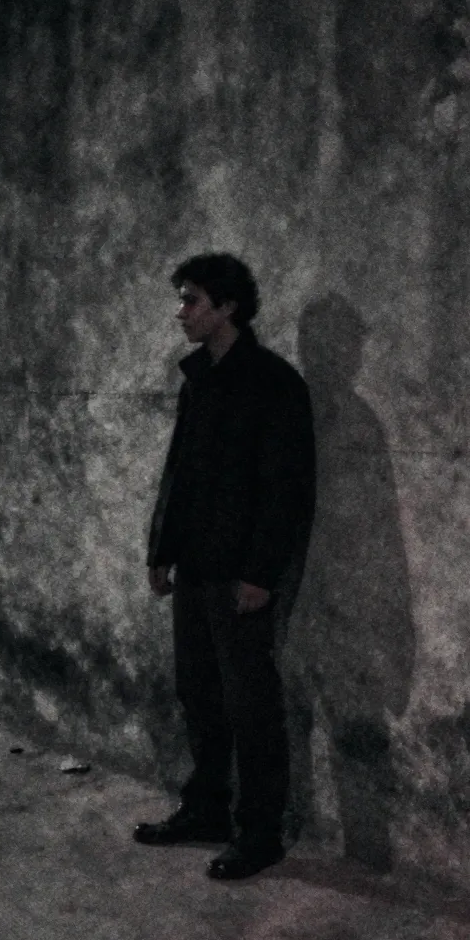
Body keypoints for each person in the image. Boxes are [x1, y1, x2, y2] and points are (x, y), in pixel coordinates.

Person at [135, 253, 315, 880]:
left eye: (192, 299)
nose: (180, 312)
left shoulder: (274, 383)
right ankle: (206, 809)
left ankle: (260, 833)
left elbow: (287, 489)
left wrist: (261, 574)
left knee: (250, 705)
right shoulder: (200, 380)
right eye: (182, 299)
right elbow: (180, 474)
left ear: (228, 307)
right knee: (200, 696)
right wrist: (162, 552)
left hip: (240, 575)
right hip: (196, 567)